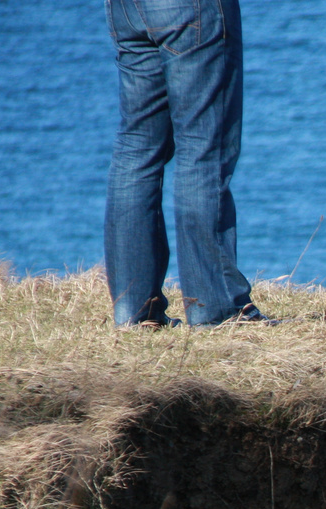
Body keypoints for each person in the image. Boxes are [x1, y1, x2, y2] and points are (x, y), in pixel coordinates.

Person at [103, 0, 272, 327]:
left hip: (126, 8)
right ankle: (217, 309)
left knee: (137, 146)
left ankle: (135, 314)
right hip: (190, 9)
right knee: (203, 148)